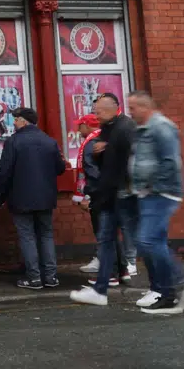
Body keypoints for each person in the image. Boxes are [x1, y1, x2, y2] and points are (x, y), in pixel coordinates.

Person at [129, 91, 184, 315]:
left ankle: (183, 278)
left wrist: (154, 187)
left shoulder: (161, 127)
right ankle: (167, 296)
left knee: (146, 240)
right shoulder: (144, 129)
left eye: (133, 108)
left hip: (161, 193)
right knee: (154, 241)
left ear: (144, 107)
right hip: (148, 193)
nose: (130, 112)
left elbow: (170, 161)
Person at [71, 92, 138, 308]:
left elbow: (128, 160)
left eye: (97, 112)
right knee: (108, 236)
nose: (94, 116)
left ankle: (112, 276)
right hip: (112, 191)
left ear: (110, 110)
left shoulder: (123, 129)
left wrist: (92, 193)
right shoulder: (109, 131)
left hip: (114, 192)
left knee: (140, 240)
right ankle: (117, 274)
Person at [0, 108, 67, 290]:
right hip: (45, 197)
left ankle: (34, 278)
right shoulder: (49, 141)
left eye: (16, 119)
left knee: (27, 237)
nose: (14, 123)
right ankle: (51, 277)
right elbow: (60, 168)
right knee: (46, 235)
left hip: (21, 197)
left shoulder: (13, 142)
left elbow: (4, 173)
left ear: (24, 121)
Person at [72, 113, 104, 271]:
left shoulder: (91, 144)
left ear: (88, 125)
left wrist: (88, 195)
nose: (78, 129)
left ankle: (106, 264)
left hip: (98, 194)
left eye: (80, 125)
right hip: (106, 192)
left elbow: (92, 173)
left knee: (101, 228)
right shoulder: (102, 140)